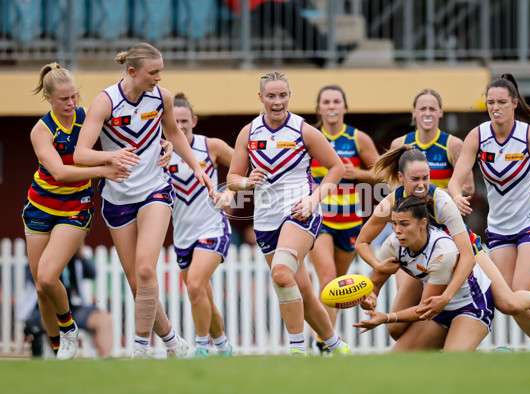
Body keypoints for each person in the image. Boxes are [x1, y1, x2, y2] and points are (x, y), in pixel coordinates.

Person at [356, 146, 530, 350]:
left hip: (464, 251)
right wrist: (378, 268)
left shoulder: (441, 201)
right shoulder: (391, 203)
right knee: (395, 328)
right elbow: (362, 242)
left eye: (426, 177)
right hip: (427, 260)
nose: (422, 185)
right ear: (400, 178)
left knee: (508, 304)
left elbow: (467, 256)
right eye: (415, 179)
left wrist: (446, 296)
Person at [74, 43, 213, 358]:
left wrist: (197, 167)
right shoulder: (105, 102)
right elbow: (80, 154)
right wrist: (112, 156)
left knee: (147, 270)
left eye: (161, 71)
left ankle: (138, 349)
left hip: (155, 190)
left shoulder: (160, 97)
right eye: (154, 72)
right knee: (138, 283)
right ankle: (172, 341)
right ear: (132, 72)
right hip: (117, 197)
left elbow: (174, 134)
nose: (159, 78)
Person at [448, 73, 530, 351]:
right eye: (490, 102)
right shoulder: (478, 136)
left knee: (520, 291)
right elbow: (455, 181)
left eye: (501, 102)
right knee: (507, 301)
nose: (495, 107)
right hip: (499, 226)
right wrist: (457, 196)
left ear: (514, 104)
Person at [227, 71, 350, 356]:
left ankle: (297, 351)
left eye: (283, 95)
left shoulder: (303, 130)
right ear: (261, 98)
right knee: (303, 290)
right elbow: (233, 177)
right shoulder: (249, 132)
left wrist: (313, 199)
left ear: (289, 96)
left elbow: (337, 168)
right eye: (271, 96)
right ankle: (335, 345)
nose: (277, 101)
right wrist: (247, 182)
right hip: (265, 220)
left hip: (300, 212)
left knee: (281, 274)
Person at [22, 63, 130, 360]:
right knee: (44, 290)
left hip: (75, 207)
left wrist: (164, 145)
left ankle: (68, 329)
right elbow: (58, 173)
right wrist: (104, 170)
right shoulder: (41, 131)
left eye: (75, 97)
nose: (71, 104)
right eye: (64, 99)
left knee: (46, 277)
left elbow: (131, 133)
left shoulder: (87, 117)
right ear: (48, 99)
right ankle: (58, 350)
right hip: (39, 208)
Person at [355, 196, 494, 351]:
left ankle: (494, 352)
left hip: (470, 304)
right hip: (437, 309)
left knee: (454, 362)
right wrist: (369, 298)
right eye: (394, 223)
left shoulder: (441, 252)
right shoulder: (394, 244)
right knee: (396, 358)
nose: (397, 230)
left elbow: (424, 308)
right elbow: (374, 284)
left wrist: (387, 317)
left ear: (423, 223)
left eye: (404, 224)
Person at [308, 84, 379, 351]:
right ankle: (324, 341)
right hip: (319, 219)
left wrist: (357, 174)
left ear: (345, 107)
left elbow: (381, 172)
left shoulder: (358, 138)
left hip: (350, 221)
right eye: (326, 102)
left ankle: (329, 340)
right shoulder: (311, 137)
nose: (331, 106)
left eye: (336, 101)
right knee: (326, 278)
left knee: (337, 285)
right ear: (319, 108)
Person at [170, 92, 234, 358]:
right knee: (202, 295)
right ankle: (223, 347)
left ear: (194, 121)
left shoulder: (212, 146)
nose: (181, 126)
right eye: (175, 122)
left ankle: (200, 349)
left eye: (184, 120)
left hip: (213, 228)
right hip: (182, 235)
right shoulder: (159, 152)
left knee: (195, 285)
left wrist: (229, 191)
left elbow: (246, 167)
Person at [18, 245, 114, 358]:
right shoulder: (41, 258)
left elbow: (92, 273)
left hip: (72, 307)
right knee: (51, 319)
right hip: (42, 308)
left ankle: (106, 359)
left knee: (104, 319)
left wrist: (80, 255)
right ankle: (61, 356)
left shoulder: (75, 260)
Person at [390, 88, 474, 195]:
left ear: (440, 112)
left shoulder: (454, 145)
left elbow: (469, 188)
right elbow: (393, 186)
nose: (427, 113)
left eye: (432, 109)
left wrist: (431, 195)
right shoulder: (399, 144)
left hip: (443, 210)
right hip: (411, 210)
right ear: (414, 111)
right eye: (423, 109)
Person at [224, 0, 356, 68]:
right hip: (249, 6)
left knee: (292, 13)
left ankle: (325, 51)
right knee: (290, 13)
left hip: (262, 4)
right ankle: (326, 52)